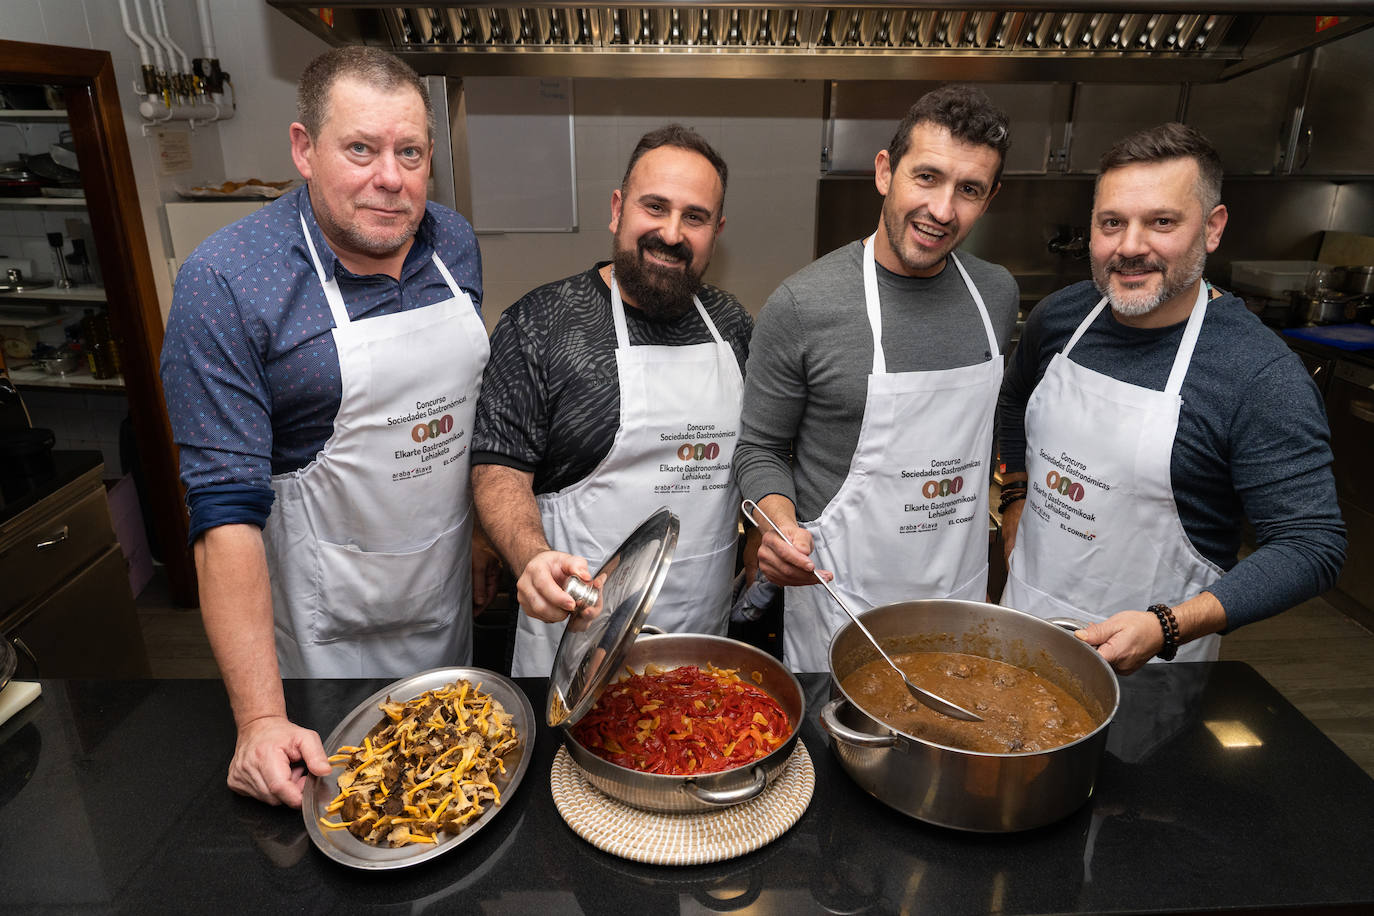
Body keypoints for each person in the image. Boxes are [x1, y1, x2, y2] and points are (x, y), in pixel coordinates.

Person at [160, 47, 494, 807]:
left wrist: (476, 536)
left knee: (448, 806)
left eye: (409, 152)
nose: (390, 178)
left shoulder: (454, 244)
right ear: (304, 149)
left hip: (442, 609)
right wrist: (259, 719)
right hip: (322, 638)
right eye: (360, 149)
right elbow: (222, 515)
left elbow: (457, 417)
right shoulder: (228, 283)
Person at [997, 122, 1345, 673]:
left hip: (1157, 666)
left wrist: (1166, 625)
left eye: (1161, 222)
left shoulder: (1260, 374)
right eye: (1112, 223)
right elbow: (1013, 400)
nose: (1130, 247)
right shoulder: (1062, 316)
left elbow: (1310, 545)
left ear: (1212, 228)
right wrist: (1014, 495)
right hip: (1025, 620)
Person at [733, 85, 1019, 673]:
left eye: (968, 190)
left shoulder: (996, 294)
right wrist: (778, 521)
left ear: (989, 199)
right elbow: (759, 447)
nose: (942, 210)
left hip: (955, 596)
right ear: (885, 172)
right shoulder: (803, 305)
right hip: (842, 598)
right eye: (927, 177)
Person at [471, 124, 753, 677]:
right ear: (618, 209)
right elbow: (498, 470)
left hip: (701, 643)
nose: (671, 233)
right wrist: (530, 559)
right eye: (655, 207)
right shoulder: (542, 322)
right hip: (572, 641)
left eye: (694, 217)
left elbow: (762, 454)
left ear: (716, 231)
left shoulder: (735, 325)